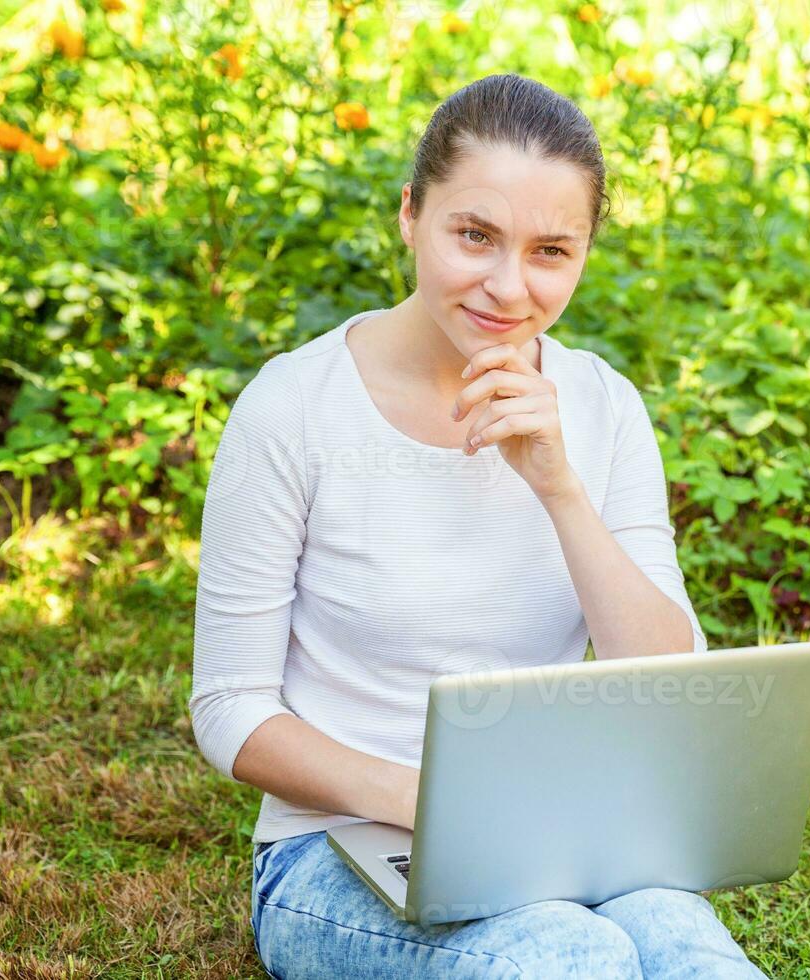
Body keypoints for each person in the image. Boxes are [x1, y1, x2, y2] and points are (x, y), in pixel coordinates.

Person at [189, 72, 769, 979]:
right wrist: (435, 804)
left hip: (560, 837)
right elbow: (230, 710)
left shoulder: (604, 408)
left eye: (550, 251)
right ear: (411, 215)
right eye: (475, 235)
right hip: (336, 851)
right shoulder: (293, 409)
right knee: (568, 955)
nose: (508, 286)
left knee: (687, 950)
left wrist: (559, 487)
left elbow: (667, 680)